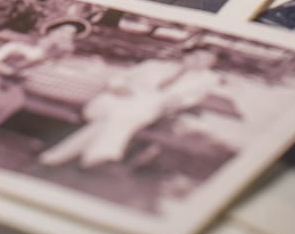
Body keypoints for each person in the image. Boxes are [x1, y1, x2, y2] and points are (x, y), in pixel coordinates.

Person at [38, 45, 223, 169]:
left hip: (146, 110)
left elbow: (193, 98)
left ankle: (57, 157)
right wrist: (118, 86)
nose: (201, 64)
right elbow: (119, 77)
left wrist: (178, 103)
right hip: (112, 102)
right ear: (186, 55)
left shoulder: (206, 79)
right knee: (123, 115)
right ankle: (99, 154)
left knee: (120, 117)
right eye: (198, 58)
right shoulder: (154, 65)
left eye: (207, 61)